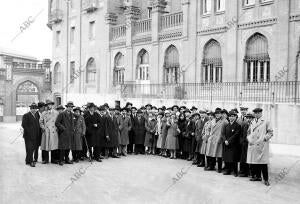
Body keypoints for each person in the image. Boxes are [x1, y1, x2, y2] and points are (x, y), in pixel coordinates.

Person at [247, 108, 273, 186]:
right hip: (253, 144)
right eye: (255, 113)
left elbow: (270, 132)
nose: (257, 114)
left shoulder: (266, 121)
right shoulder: (252, 122)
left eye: (258, 113)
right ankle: (257, 177)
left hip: (262, 144)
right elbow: (248, 132)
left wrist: (264, 138)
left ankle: (266, 179)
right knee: (255, 162)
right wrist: (249, 139)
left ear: (261, 113)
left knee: (263, 163)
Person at [55, 101, 75, 165]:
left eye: (71, 107)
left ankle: (66, 159)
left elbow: (72, 123)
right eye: (69, 107)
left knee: (68, 148)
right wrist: (63, 128)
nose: (70, 108)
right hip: (63, 134)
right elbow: (57, 123)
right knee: (62, 148)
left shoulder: (72, 114)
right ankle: (61, 160)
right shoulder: (62, 114)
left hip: (70, 134)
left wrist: (73, 129)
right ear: (67, 107)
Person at [39, 100, 59, 164]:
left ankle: (54, 159)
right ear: (46, 106)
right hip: (46, 131)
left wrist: (56, 128)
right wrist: (43, 128)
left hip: (53, 131)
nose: (49, 106)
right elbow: (40, 121)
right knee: (45, 145)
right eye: (47, 105)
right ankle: (45, 159)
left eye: (50, 104)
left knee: (54, 145)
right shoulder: (44, 113)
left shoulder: (56, 113)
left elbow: (58, 121)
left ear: (52, 105)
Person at [222, 111, 241, 177]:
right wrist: (225, 140)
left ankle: (235, 171)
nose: (231, 117)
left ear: (235, 117)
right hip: (226, 143)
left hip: (233, 144)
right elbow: (223, 134)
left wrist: (229, 141)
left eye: (233, 116)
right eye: (230, 116)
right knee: (227, 158)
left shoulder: (238, 125)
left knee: (234, 159)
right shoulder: (226, 125)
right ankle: (228, 170)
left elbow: (236, 134)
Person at [21, 102, 40, 167]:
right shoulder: (26, 115)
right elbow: (24, 125)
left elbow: (38, 125)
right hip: (28, 136)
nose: (34, 110)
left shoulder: (37, 115)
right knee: (29, 148)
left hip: (35, 135)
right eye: (33, 108)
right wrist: (30, 133)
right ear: (30, 109)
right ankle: (31, 162)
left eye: (35, 109)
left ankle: (27, 160)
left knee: (33, 148)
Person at [239, 112, 254, 177]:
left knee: (250, 159)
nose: (248, 119)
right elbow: (241, 134)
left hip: (251, 144)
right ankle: (243, 172)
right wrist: (241, 141)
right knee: (243, 158)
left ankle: (250, 172)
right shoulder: (244, 124)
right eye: (247, 118)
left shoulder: (254, 125)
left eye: (250, 118)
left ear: (252, 118)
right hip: (244, 144)